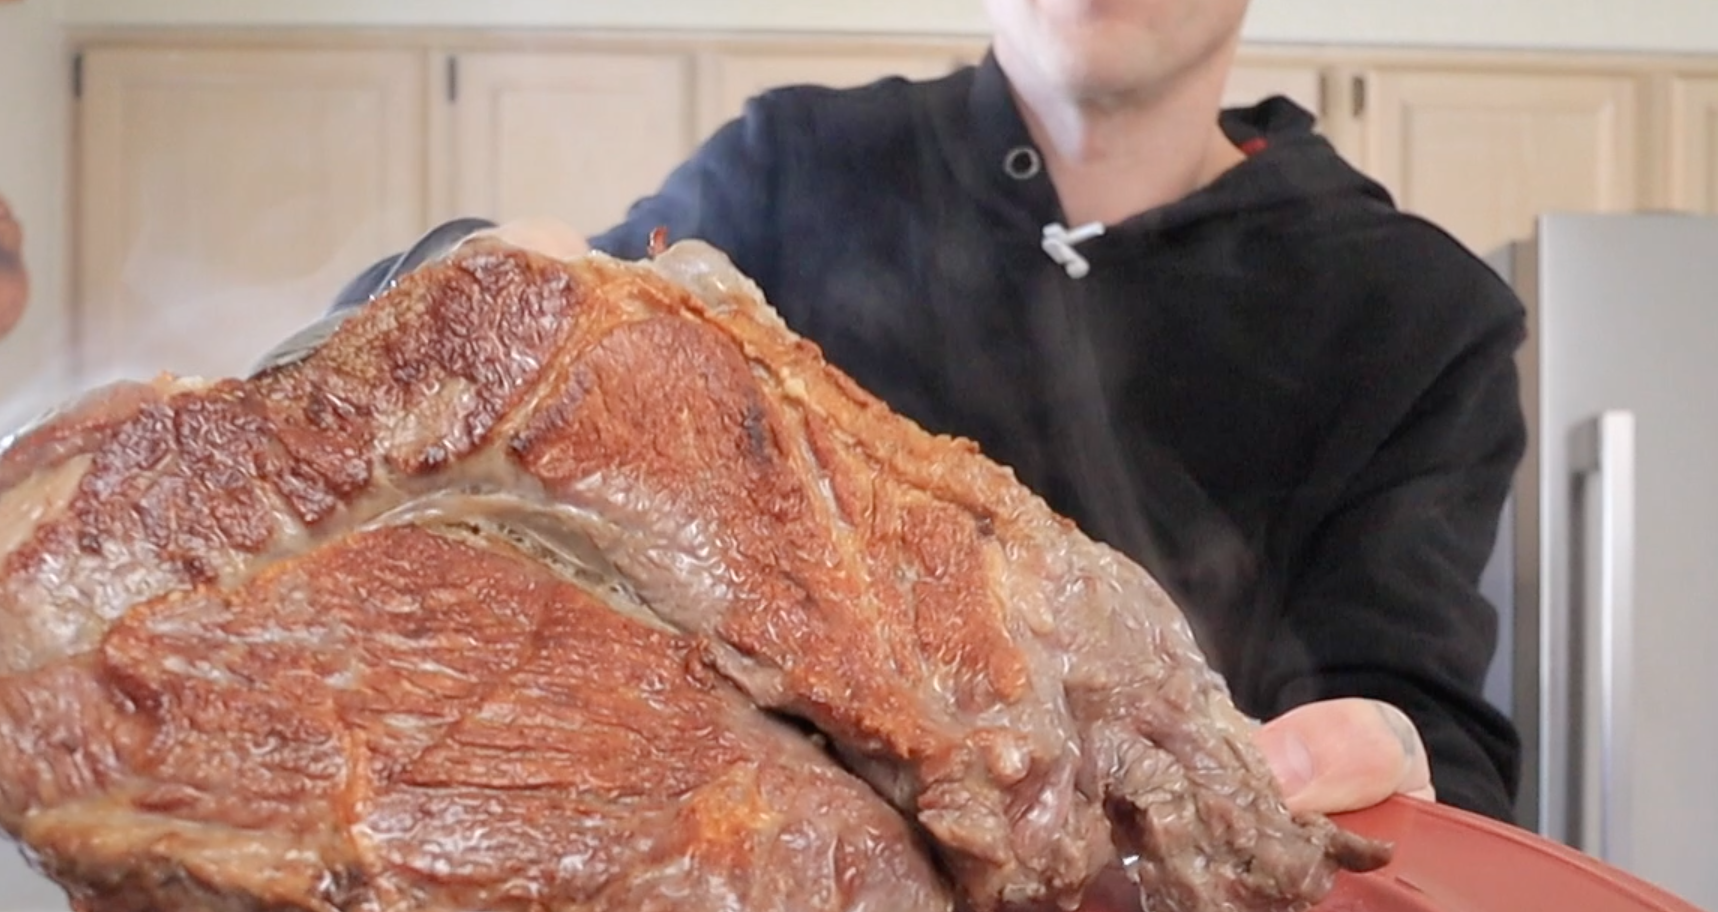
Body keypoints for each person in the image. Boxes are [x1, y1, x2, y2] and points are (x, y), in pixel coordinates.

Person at [464, 0, 1524, 822]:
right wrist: (478, 277)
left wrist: (1390, 758)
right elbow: (472, 361)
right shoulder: (788, 173)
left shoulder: (1418, 313)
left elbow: (1435, 742)